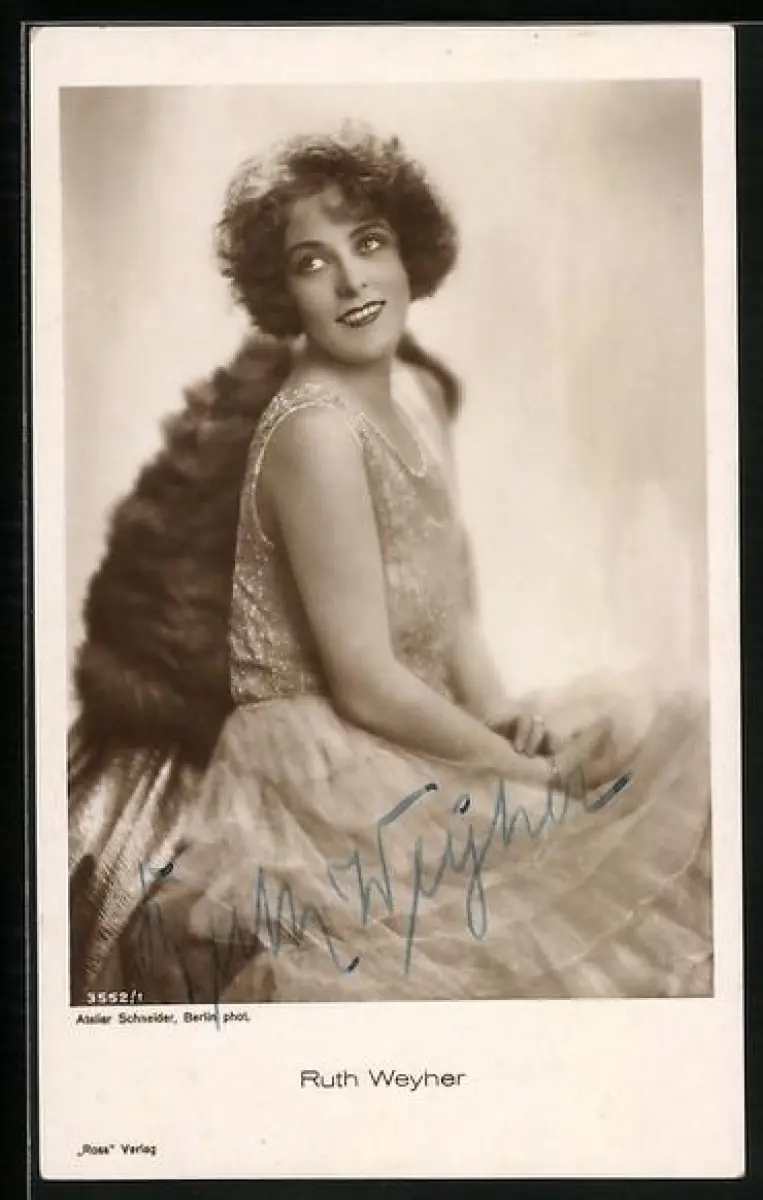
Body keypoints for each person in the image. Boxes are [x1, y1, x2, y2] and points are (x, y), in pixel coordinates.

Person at [69, 127, 712, 1005]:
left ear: (409, 252)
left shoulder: (418, 394)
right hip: (319, 764)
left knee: (681, 748)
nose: (351, 281)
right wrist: (515, 773)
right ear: (283, 293)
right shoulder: (314, 431)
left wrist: (505, 722)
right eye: (312, 262)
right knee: (562, 862)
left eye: (368, 243)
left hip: (410, 728)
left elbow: (450, 610)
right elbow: (365, 682)